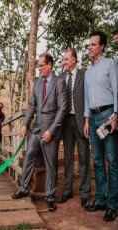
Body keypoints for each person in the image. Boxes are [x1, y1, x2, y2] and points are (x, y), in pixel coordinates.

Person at [12, 53, 67, 212]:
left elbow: (62, 109)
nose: (39, 69)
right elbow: (31, 106)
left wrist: (51, 130)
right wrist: (25, 123)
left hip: (50, 131)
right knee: (29, 156)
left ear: (49, 65)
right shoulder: (37, 83)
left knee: (51, 164)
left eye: (42, 65)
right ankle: (24, 189)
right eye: (38, 66)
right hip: (36, 129)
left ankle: (50, 197)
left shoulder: (59, 83)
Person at [84, 31, 118, 222]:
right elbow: (87, 97)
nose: (90, 47)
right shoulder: (88, 71)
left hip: (108, 116)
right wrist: (87, 120)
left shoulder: (111, 64)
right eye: (89, 45)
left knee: (112, 161)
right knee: (97, 160)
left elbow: (117, 90)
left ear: (102, 46)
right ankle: (100, 200)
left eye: (94, 44)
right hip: (94, 118)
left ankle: (112, 205)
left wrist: (115, 117)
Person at [58, 48, 91, 209]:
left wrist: (87, 120)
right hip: (66, 122)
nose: (63, 61)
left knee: (84, 157)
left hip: (81, 121)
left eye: (66, 59)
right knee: (68, 158)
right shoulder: (61, 77)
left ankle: (85, 194)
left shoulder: (84, 75)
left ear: (74, 60)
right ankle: (67, 190)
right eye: (63, 59)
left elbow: (88, 99)